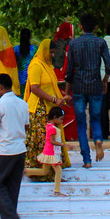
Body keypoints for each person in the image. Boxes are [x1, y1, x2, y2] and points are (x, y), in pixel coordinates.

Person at [66, 12, 110, 168]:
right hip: (95, 86)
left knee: (81, 123)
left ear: (80, 27)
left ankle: (86, 159)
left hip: (79, 87)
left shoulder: (74, 44)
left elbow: (69, 71)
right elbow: (109, 66)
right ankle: (98, 139)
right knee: (95, 118)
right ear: (95, 27)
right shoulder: (100, 42)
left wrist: (67, 92)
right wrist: (105, 81)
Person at [0, 73, 29, 219]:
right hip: (20, 150)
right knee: (12, 185)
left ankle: (9, 217)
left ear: (0, 87)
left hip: (4, 150)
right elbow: (26, 126)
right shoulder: (23, 103)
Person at [22, 38, 69, 177]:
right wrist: (54, 99)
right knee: (43, 140)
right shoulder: (36, 65)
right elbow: (35, 88)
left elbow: (50, 87)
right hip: (39, 110)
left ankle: (50, 172)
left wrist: (61, 99)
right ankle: (38, 171)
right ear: (44, 51)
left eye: (54, 53)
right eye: (51, 52)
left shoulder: (47, 65)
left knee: (50, 141)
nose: (53, 55)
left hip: (49, 108)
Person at [37, 106, 68, 195]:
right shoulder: (52, 128)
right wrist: (63, 144)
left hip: (49, 151)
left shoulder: (49, 125)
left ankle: (25, 171)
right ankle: (57, 191)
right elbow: (52, 141)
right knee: (58, 170)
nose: (62, 121)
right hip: (51, 152)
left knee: (44, 171)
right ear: (55, 117)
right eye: (61, 119)